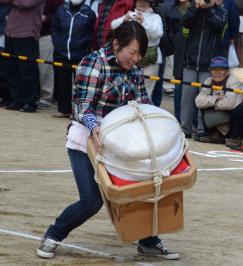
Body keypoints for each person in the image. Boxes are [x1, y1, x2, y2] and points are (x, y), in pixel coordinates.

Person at [36, 21, 180, 260]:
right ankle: (52, 235)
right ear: (116, 44)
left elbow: (143, 104)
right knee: (91, 201)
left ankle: (148, 241)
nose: (135, 59)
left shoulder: (133, 70)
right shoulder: (94, 63)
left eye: (139, 55)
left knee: (143, 188)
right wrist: (94, 127)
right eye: (132, 52)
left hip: (122, 145)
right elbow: (82, 105)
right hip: (85, 141)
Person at [180, 0, 227, 138]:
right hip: (190, 61)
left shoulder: (221, 11)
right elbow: (185, 21)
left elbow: (219, 24)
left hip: (208, 65)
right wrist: (196, 8)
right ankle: (185, 129)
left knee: (205, 99)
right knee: (186, 99)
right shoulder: (194, 8)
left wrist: (208, 8)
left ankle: (202, 130)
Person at [51, 0, 96, 118]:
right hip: (62, 53)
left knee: (80, 85)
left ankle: (77, 111)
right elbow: (54, 28)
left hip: (80, 54)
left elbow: (92, 32)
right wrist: (58, 44)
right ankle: (64, 109)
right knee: (62, 82)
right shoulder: (61, 10)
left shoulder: (89, 13)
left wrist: (86, 47)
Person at [111, 0, 163, 100]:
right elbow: (113, 26)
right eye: (140, 1)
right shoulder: (131, 14)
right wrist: (124, 19)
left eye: (145, 1)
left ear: (150, 3)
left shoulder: (155, 17)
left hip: (150, 58)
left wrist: (144, 22)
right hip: (129, 57)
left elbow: (159, 33)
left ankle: (143, 111)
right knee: (125, 87)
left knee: (146, 91)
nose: (142, 3)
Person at [0, 0, 45, 113]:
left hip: (27, 34)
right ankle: (16, 99)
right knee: (11, 69)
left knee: (27, 70)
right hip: (10, 32)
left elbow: (26, 3)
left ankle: (29, 102)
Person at [195, 56, 243, 147]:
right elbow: (198, 101)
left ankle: (235, 138)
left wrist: (210, 102)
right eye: (214, 70)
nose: (217, 73)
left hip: (236, 123)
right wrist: (215, 99)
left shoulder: (234, 81)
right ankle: (214, 135)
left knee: (238, 108)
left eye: (221, 70)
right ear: (210, 71)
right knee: (202, 106)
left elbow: (230, 104)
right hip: (221, 119)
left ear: (227, 72)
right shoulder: (208, 81)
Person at [161, 0, 191, 122]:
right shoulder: (170, 10)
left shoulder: (197, 9)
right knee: (178, 88)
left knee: (191, 91)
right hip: (176, 52)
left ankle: (188, 122)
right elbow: (167, 32)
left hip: (193, 54)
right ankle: (178, 120)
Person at [37, 0, 64, 110]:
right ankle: (32, 95)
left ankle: (46, 97)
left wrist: (45, 18)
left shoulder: (56, 2)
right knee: (28, 67)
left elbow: (60, 17)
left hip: (46, 34)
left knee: (45, 68)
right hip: (29, 34)